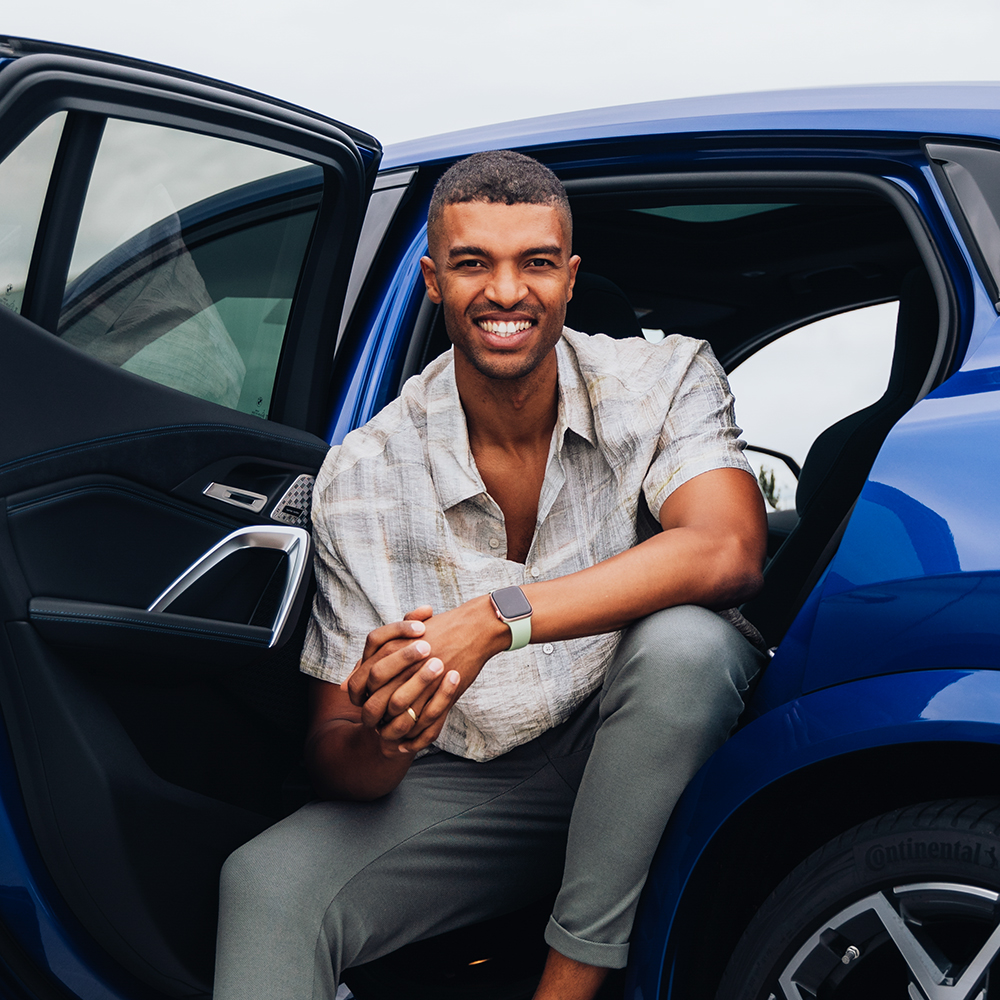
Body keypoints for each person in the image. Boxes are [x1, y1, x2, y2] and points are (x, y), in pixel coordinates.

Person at [214, 150, 768, 1000]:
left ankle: (568, 981)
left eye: (535, 263)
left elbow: (728, 550)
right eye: (474, 263)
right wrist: (385, 734)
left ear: (571, 276)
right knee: (266, 885)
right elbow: (334, 753)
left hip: (650, 738)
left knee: (687, 644)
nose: (506, 293)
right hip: (481, 781)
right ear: (434, 281)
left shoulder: (663, 380)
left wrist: (495, 618)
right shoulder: (362, 474)